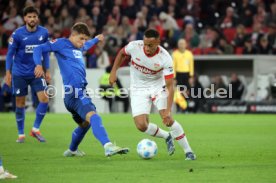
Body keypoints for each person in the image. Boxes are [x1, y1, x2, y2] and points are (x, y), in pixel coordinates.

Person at [33, 22, 129, 157]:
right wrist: (38, 65)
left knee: (85, 124)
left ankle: (72, 150)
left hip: (71, 96)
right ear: (73, 35)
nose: (83, 42)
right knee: (93, 116)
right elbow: (38, 49)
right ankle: (108, 146)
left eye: (85, 39)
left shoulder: (80, 47)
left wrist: (96, 39)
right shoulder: (61, 44)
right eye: (81, 38)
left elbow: (88, 44)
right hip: (76, 92)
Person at [110, 29, 196, 160]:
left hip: (157, 87)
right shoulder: (134, 46)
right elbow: (122, 53)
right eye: (145, 44)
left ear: (158, 42)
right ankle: (167, 136)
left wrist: (167, 111)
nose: (146, 47)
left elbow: (170, 86)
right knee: (141, 125)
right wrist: (113, 71)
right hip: (138, 89)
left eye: (150, 45)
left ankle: (188, 151)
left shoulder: (165, 58)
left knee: (167, 120)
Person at [5, 6, 50, 143]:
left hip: (37, 72)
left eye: (34, 16)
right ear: (25, 18)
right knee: (20, 102)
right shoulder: (17, 34)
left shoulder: (44, 32)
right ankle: (21, 134)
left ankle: (35, 129)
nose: (32, 19)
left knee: (45, 99)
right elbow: (10, 54)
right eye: (29, 16)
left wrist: (47, 70)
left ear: (37, 18)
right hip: (19, 73)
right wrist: (8, 73)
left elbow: (46, 52)